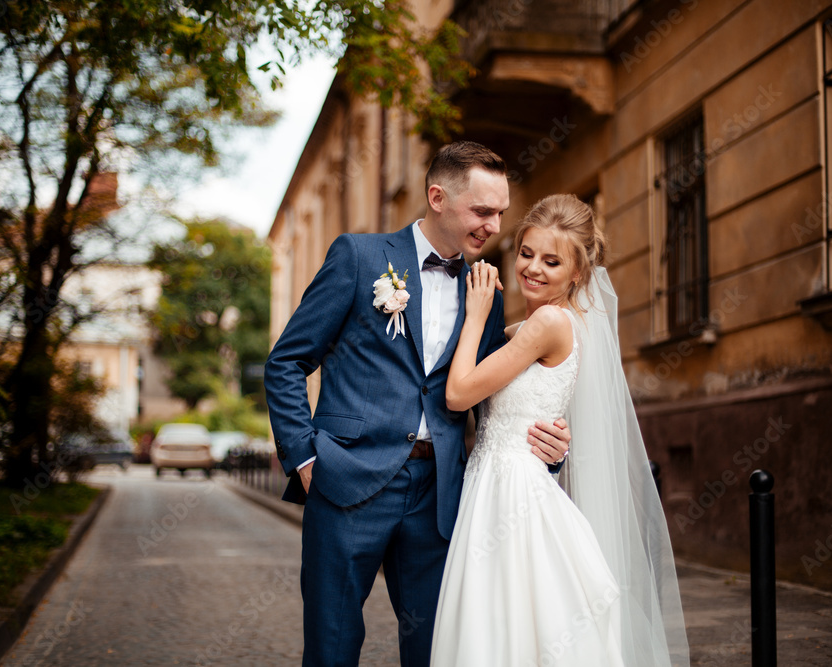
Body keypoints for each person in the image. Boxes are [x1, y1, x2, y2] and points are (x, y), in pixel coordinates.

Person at [263, 141, 572, 667]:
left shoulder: (487, 290)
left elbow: (492, 394)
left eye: (500, 211)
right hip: (345, 483)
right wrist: (306, 458)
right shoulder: (359, 258)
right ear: (437, 197)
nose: (494, 225)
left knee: (437, 650)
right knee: (332, 647)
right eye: (482, 211)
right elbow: (287, 362)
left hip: (439, 499)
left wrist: (547, 445)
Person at [430, 194, 690, 666]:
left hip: (512, 493)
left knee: (506, 626)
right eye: (526, 253)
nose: (532, 268)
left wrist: (475, 313)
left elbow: (458, 394)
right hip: (501, 485)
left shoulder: (547, 322)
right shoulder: (543, 325)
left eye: (552, 261)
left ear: (578, 274)